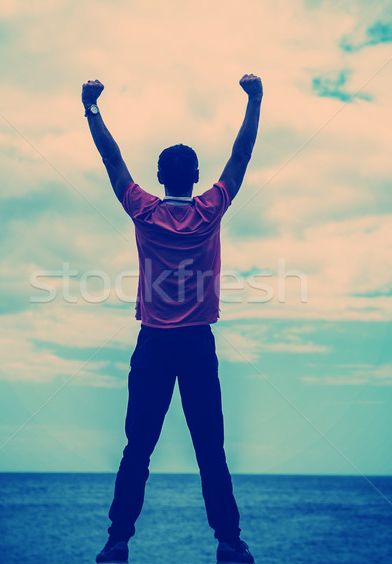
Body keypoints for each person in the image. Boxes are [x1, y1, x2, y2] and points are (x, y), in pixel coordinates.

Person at [82, 74, 262, 564]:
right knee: (210, 448)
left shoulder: (144, 210)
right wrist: (255, 98)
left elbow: (112, 160)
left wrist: (92, 108)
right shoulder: (210, 210)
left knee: (137, 448)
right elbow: (241, 156)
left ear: (161, 178)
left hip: (154, 344)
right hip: (197, 346)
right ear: (197, 176)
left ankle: (118, 541)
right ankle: (228, 541)